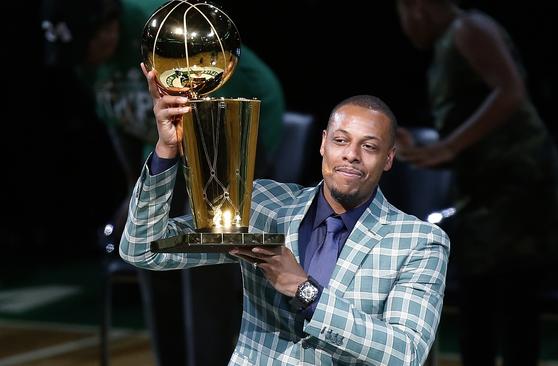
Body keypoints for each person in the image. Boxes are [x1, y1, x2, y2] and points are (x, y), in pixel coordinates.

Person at [120, 70, 450, 364]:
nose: (351, 154)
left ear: (388, 158)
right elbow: (142, 249)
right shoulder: (265, 205)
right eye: (341, 140)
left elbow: (407, 353)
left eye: (370, 146)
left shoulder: (418, 242)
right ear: (323, 144)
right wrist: (166, 150)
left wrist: (304, 291)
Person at [76, 0, 286, 364]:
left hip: (232, 130)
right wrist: (137, 196)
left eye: (86, 46)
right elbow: (126, 128)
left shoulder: (156, 31)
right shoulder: (87, 59)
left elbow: (199, 103)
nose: (84, 61)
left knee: (208, 250)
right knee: (153, 241)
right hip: (170, 144)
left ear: (107, 28)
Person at [394, 1, 558, 365]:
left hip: (518, 194)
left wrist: (447, 146)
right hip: (485, 198)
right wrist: (423, 151)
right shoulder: (447, 43)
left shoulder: (469, 29)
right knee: (479, 312)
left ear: (417, 8)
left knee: (514, 314)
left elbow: (510, 90)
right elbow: (474, 133)